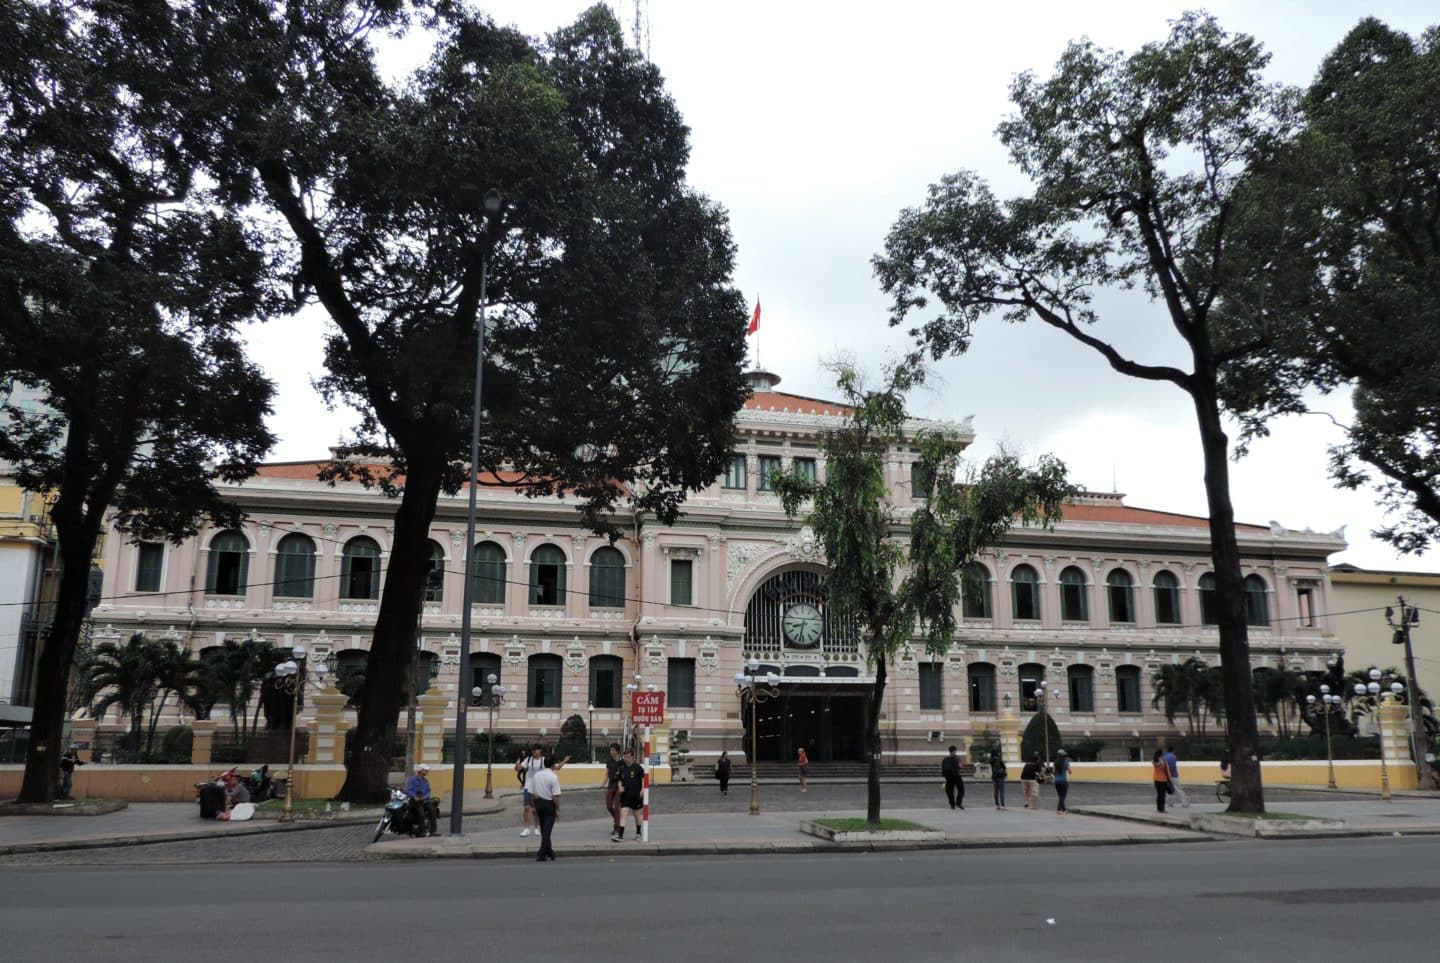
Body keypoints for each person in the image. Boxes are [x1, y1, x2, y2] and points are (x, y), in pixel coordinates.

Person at [518, 745, 569, 837]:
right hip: (528, 786)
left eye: (535, 750)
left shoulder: (544, 760)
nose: (533, 752)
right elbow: (519, 768)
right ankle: (526, 829)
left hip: (539, 786)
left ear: (539, 751)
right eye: (532, 750)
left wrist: (564, 761)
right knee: (526, 808)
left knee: (536, 809)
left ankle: (537, 828)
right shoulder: (528, 760)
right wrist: (517, 763)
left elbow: (556, 768)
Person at [531, 755, 562, 862]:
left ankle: (550, 852)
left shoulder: (536, 775)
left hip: (538, 803)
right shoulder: (553, 777)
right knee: (547, 831)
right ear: (553, 765)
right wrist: (557, 809)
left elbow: (533, 792)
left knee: (544, 830)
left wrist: (533, 806)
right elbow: (556, 796)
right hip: (549, 804)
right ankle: (541, 854)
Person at [612, 748, 646, 842]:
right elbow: (619, 779)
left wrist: (643, 789)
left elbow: (643, 778)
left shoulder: (638, 767)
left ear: (632, 757)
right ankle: (620, 835)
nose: (626, 758)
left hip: (636, 795)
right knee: (623, 814)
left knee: (637, 815)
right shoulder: (622, 768)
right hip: (625, 795)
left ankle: (638, 833)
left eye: (628, 757)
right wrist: (620, 787)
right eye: (625, 757)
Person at [405, 763, 439, 838]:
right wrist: (414, 796)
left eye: (427, 770)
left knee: (433, 811)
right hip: (415, 800)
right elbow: (409, 790)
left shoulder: (425, 781)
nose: (427, 772)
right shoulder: (412, 779)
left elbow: (428, 791)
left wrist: (425, 797)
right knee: (421, 813)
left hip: (424, 800)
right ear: (421, 770)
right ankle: (421, 832)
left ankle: (433, 831)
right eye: (426, 770)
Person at [601, 743, 624, 836]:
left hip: (619, 786)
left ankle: (617, 827)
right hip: (611, 785)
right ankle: (617, 819)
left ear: (617, 751)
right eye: (610, 750)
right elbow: (607, 774)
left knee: (617, 807)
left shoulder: (622, 762)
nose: (611, 752)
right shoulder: (609, 761)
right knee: (609, 806)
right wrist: (602, 784)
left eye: (612, 750)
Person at [941, 745, 965, 810]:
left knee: (949, 791)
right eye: (955, 751)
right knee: (961, 789)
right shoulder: (957, 758)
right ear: (954, 751)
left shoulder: (945, 759)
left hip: (948, 777)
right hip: (956, 776)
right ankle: (958, 803)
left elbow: (943, 768)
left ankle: (952, 805)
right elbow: (960, 766)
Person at [1152, 749, 1171, 813]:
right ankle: (1162, 809)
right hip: (1163, 780)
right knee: (1162, 795)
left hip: (1156, 779)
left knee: (1159, 794)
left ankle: (1158, 809)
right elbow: (1167, 771)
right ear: (1161, 754)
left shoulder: (1154, 761)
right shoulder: (1163, 761)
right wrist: (1170, 780)